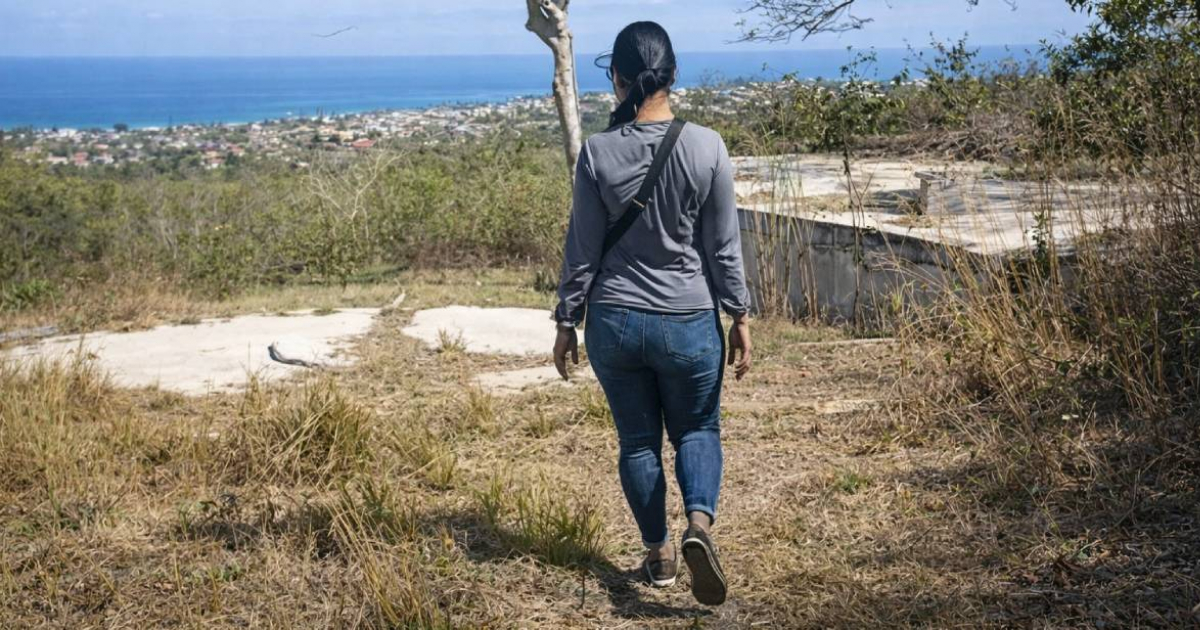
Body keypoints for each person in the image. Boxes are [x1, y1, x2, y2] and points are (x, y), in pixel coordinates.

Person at [551, 21, 752, 607]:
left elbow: (581, 249)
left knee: (638, 443)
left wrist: (566, 321)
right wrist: (738, 314)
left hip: (614, 323)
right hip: (688, 320)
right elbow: (722, 247)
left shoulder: (596, 152)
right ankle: (698, 527)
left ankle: (659, 554)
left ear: (617, 78)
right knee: (696, 428)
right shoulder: (707, 146)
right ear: (672, 75)